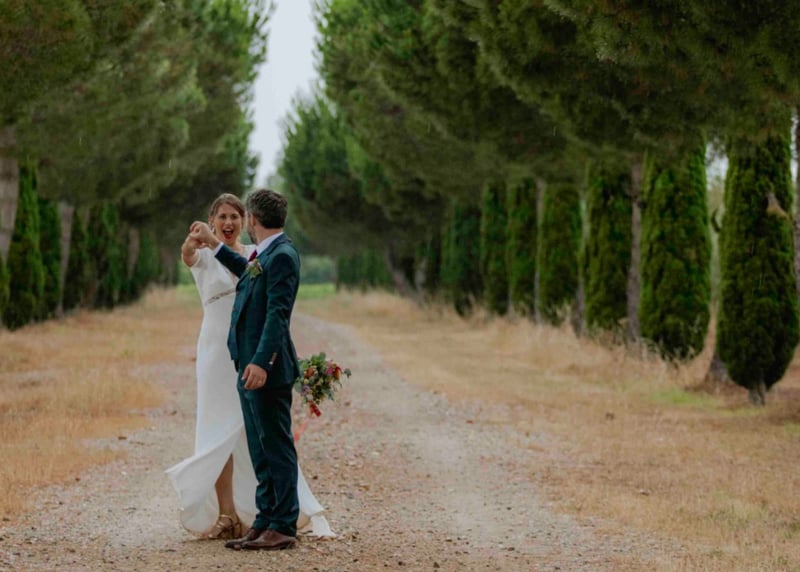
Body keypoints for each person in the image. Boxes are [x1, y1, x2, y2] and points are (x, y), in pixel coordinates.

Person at [166, 192, 332, 543]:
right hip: (225, 353)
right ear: (212, 220)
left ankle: (280, 522)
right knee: (255, 440)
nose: (229, 222)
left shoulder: (272, 253)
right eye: (222, 217)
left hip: (256, 358)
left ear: (249, 220)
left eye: (236, 216)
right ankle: (258, 517)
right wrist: (201, 242)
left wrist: (262, 360)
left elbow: (276, 314)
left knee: (269, 440)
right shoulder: (257, 255)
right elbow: (202, 258)